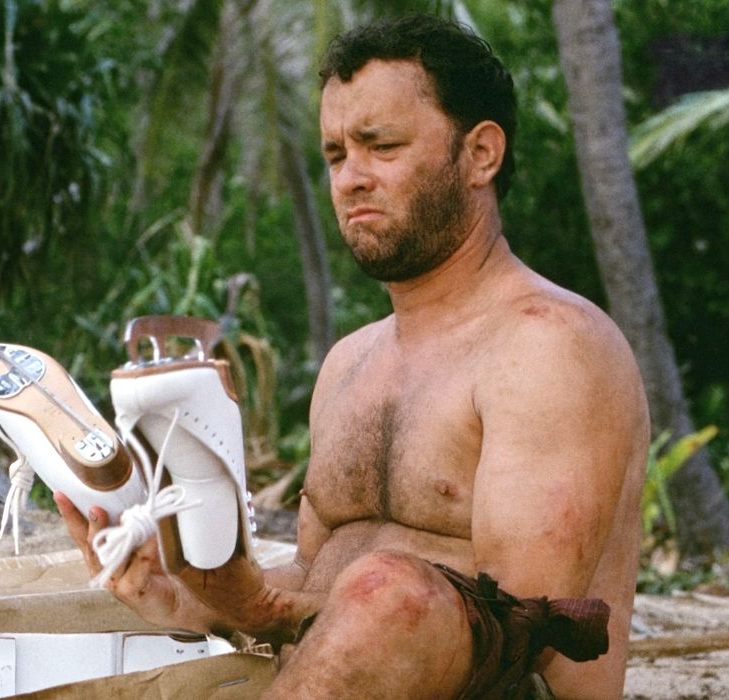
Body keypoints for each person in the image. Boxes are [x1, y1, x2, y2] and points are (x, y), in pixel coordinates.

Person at [59, 13, 648, 699]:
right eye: (336, 154)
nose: (351, 178)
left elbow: (523, 625)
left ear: (481, 153)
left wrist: (272, 608)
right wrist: (190, 594)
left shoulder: (549, 343)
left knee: (387, 592)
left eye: (382, 146)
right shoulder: (349, 363)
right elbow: (319, 596)